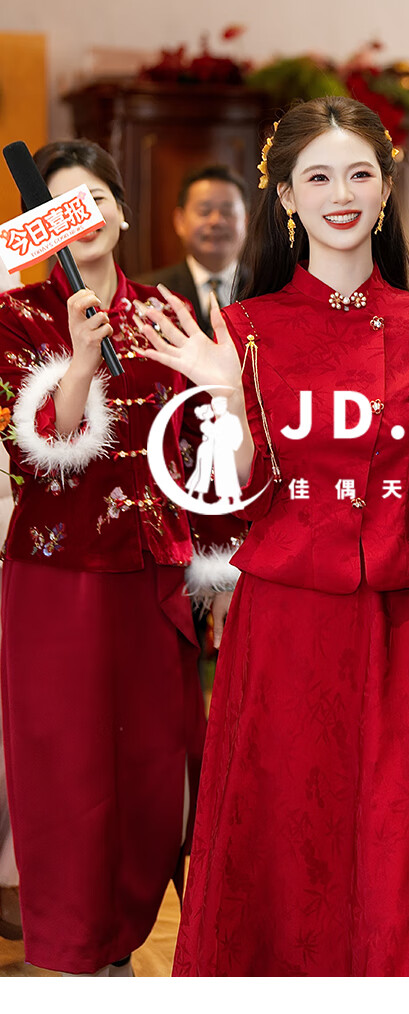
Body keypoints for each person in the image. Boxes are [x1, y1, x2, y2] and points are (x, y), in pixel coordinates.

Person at [134, 96, 409, 976]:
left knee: (401, 839)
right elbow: (238, 497)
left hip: (401, 631)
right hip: (284, 631)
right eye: (318, 177)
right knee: (284, 842)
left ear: (386, 188)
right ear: (286, 196)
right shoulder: (245, 331)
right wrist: (223, 393)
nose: (342, 194)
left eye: (360, 174)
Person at [0, 140, 238, 976]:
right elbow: (37, 454)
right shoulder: (13, 317)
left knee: (152, 772)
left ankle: (126, 941)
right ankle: (76, 952)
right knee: (66, 775)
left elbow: (204, 447)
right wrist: (75, 358)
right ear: (42, 228)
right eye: (62, 204)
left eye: (97, 196)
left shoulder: (168, 313)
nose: (86, 215)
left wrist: (216, 563)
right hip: (57, 579)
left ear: (125, 213)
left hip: (158, 572)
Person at [142, 163, 248, 334]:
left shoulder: (268, 290)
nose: (216, 221)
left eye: (227, 212)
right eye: (204, 211)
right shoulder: (150, 293)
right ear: (180, 221)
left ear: (245, 221)